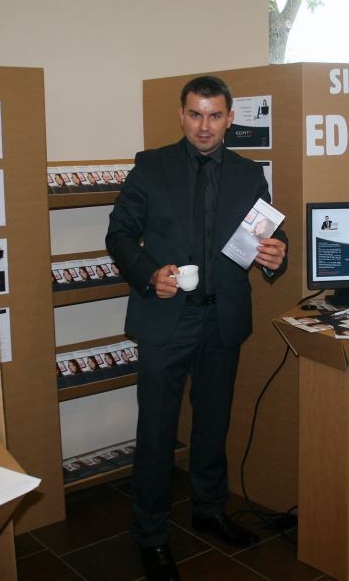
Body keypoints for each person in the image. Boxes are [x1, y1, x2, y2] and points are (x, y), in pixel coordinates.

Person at [105, 75, 288, 581]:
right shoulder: (151, 166)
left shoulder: (249, 175)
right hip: (167, 318)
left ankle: (208, 510)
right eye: (195, 114)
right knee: (157, 431)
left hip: (222, 318)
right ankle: (151, 535)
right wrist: (150, 275)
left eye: (214, 116)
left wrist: (278, 255)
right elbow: (119, 234)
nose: (204, 126)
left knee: (212, 423)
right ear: (181, 115)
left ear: (230, 119)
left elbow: (269, 237)